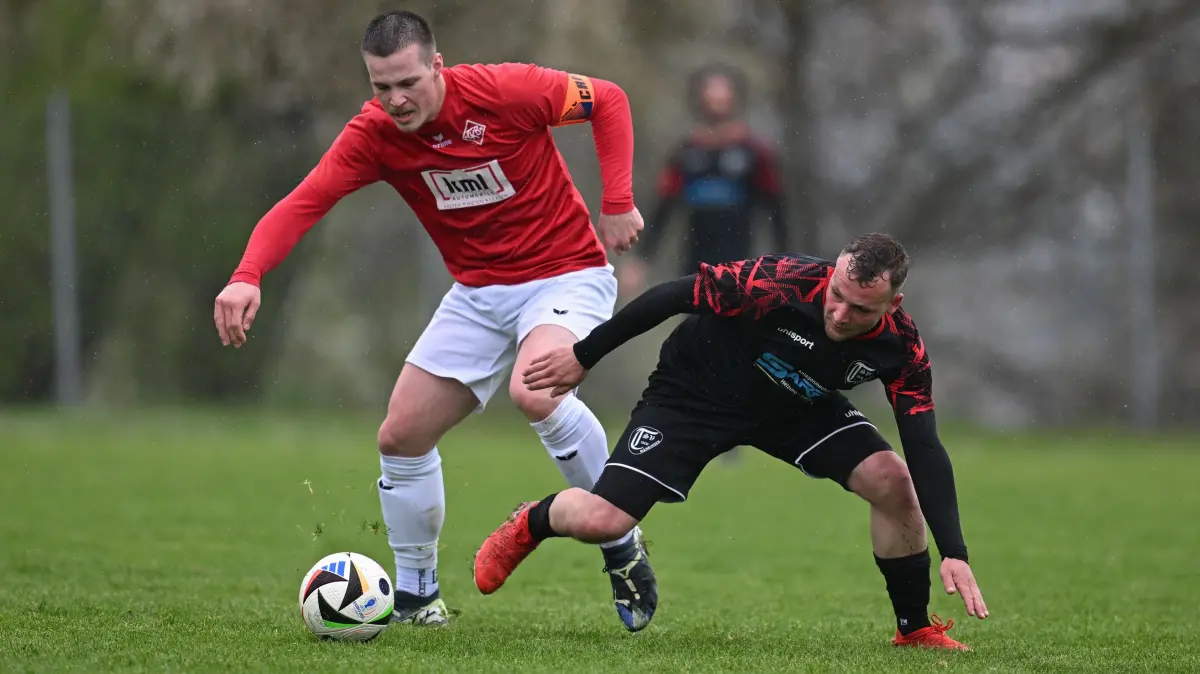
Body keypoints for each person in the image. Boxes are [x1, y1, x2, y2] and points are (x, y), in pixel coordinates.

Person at [211, 10, 656, 630]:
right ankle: (419, 599)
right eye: (380, 87)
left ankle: (618, 540)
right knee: (401, 436)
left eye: (408, 83)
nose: (395, 100)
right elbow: (305, 201)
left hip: (565, 274)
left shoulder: (506, 91)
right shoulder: (374, 135)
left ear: (437, 65)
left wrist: (617, 202)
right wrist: (246, 274)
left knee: (536, 389)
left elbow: (607, 99)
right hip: (477, 292)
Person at [472, 233, 988, 650]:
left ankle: (914, 628)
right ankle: (532, 520)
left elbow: (923, 445)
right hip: (696, 392)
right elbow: (672, 296)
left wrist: (954, 550)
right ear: (830, 273)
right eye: (836, 295)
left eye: (859, 309)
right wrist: (584, 354)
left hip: (795, 404)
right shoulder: (779, 282)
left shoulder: (902, 347)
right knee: (602, 520)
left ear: (893, 303)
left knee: (893, 479)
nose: (839, 315)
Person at [618, 64, 788, 295]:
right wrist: (641, 260)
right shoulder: (686, 151)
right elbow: (663, 209)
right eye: (710, 91)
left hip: (742, 264)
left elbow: (776, 210)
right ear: (698, 98)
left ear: (736, 98)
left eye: (723, 91)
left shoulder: (754, 151)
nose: (716, 98)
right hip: (695, 263)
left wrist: (786, 262)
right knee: (696, 325)